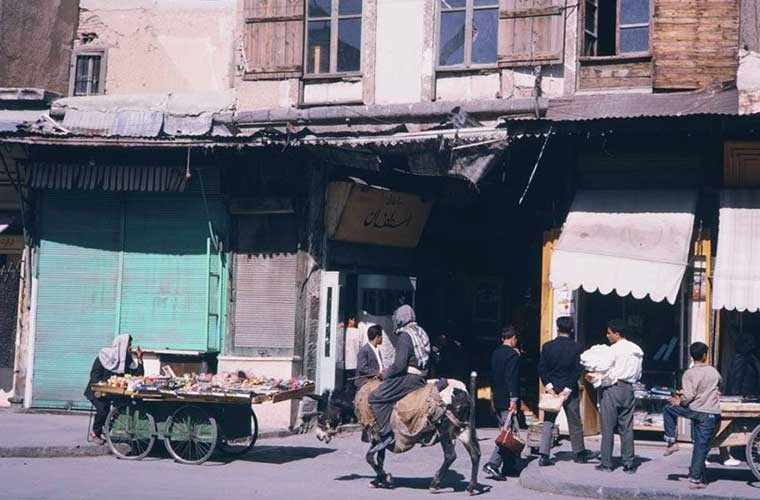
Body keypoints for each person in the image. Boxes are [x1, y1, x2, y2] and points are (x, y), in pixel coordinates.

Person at [368, 304, 430, 453]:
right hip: (421, 376)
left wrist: (386, 374)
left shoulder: (405, 335)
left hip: (409, 378)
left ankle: (386, 433)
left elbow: (400, 365)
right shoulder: (420, 331)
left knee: (375, 397)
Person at [537, 316, 598, 466]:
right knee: (575, 422)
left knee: (548, 422)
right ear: (571, 330)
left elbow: (542, 368)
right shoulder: (577, 347)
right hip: (570, 390)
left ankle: (544, 455)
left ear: (557, 328)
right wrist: (567, 390)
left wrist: (550, 387)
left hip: (552, 391)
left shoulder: (547, 346)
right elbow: (577, 370)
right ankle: (579, 453)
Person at [662, 342, 721, 489]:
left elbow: (688, 396)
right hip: (709, 413)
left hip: (694, 411)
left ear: (692, 356)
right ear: (705, 355)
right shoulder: (713, 372)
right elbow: (719, 385)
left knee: (668, 408)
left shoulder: (689, 373)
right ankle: (696, 479)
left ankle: (671, 441)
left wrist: (679, 400)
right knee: (701, 446)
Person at [595, 319, 643, 474]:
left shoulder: (613, 350)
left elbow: (603, 368)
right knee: (627, 427)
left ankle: (606, 463)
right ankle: (628, 463)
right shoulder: (637, 349)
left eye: (609, 332)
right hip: (629, 388)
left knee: (607, 426)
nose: (607, 335)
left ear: (617, 334)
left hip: (612, 387)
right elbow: (639, 373)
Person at [84, 334, 144, 444]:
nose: (131, 347)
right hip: (97, 391)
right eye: (129, 345)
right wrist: (99, 387)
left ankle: (107, 429)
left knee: (124, 406)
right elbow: (94, 375)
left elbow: (137, 375)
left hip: (112, 392)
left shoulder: (127, 358)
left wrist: (140, 359)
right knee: (103, 409)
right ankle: (95, 432)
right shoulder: (104, 356)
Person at [483, 326, 521, 481]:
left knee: (505, 431)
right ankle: (493, 463)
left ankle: (509, 466)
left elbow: (493, 377)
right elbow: (512, 378)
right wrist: (514, 399)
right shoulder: (512, 355)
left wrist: (491, 398)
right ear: (513, 338)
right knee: (507, 435)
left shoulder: (495, 353)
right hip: (507, 398)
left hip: (497, 397)